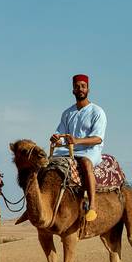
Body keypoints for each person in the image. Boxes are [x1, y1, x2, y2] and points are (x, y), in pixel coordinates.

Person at [50, 73, 107, 222]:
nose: (80, 89)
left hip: (90, 150)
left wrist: (77, 141)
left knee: (86, 164)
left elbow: (98, 138)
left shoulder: (97, 112)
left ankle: (93, 205)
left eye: (83, 86)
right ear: (73, 90)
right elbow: (59, 133)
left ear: (88, 89)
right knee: (46, 164)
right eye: (77, 86)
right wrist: (56, 138)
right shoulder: (68, 113)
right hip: (68, 150)